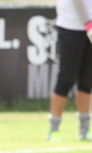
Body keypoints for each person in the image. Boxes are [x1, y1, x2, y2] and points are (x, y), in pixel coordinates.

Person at [48, 0, 92, 141]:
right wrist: (88, 23)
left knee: (87, 80)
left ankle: (84, 130)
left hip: (90, 28)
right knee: (66, 78)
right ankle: (53, 130)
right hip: (70, 26)